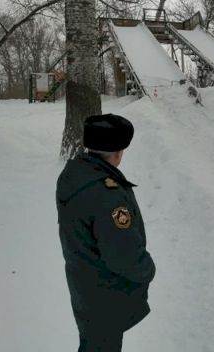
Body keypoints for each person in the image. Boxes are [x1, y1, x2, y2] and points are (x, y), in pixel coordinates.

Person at [56, 114, 156, 351]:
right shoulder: (107, 195)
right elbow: (124, 255)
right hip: (104, 294)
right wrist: (148, 269)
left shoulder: (75, 173)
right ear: (118, 153)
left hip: (85, 284)